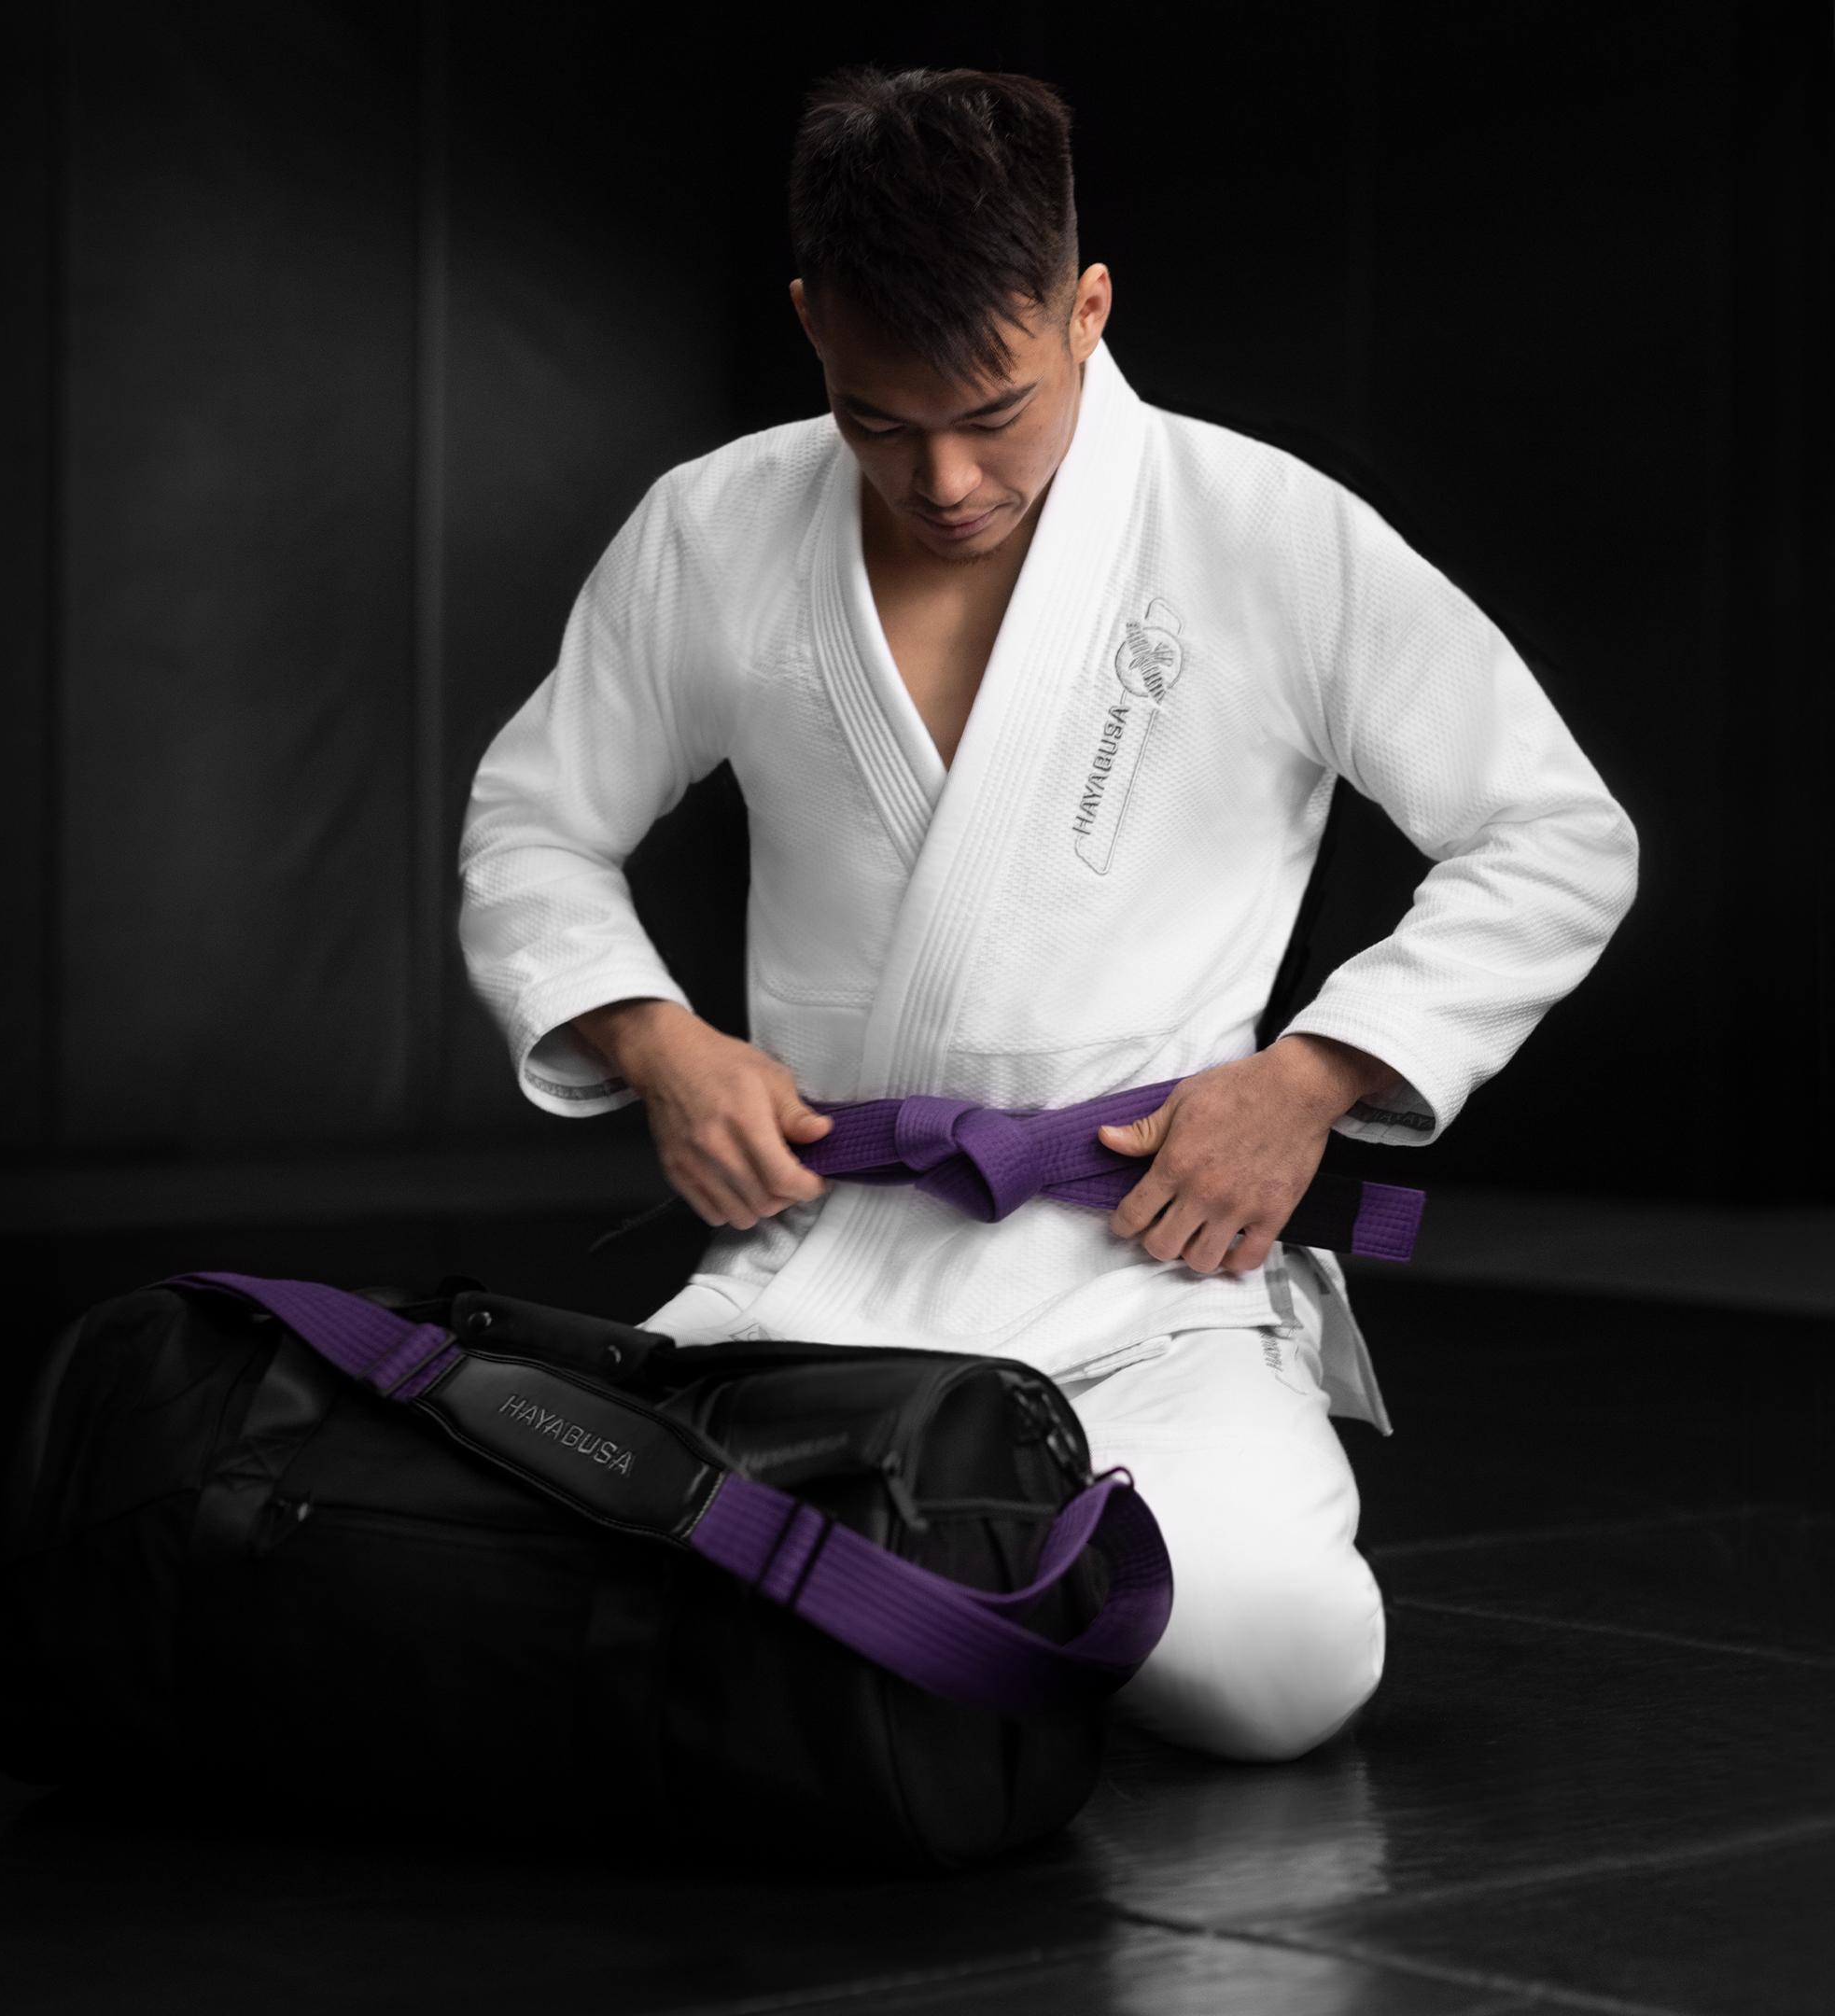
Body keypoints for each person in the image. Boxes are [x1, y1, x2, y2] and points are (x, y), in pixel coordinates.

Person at [455, 65, 1640, 1761]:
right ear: (809, 324)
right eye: (877, 420)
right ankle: (967, 1569)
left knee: (1278, 1664)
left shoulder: (1265, 533)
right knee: (491, 1589)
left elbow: (1555, 834)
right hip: (823, 1266)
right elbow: (534, 823)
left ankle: (893, 1575)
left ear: (1088, 310)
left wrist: (1309, 1082)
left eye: (994, 410)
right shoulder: (711, 528)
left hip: (1145, 1266)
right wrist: (655, 1043)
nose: (943, 478)